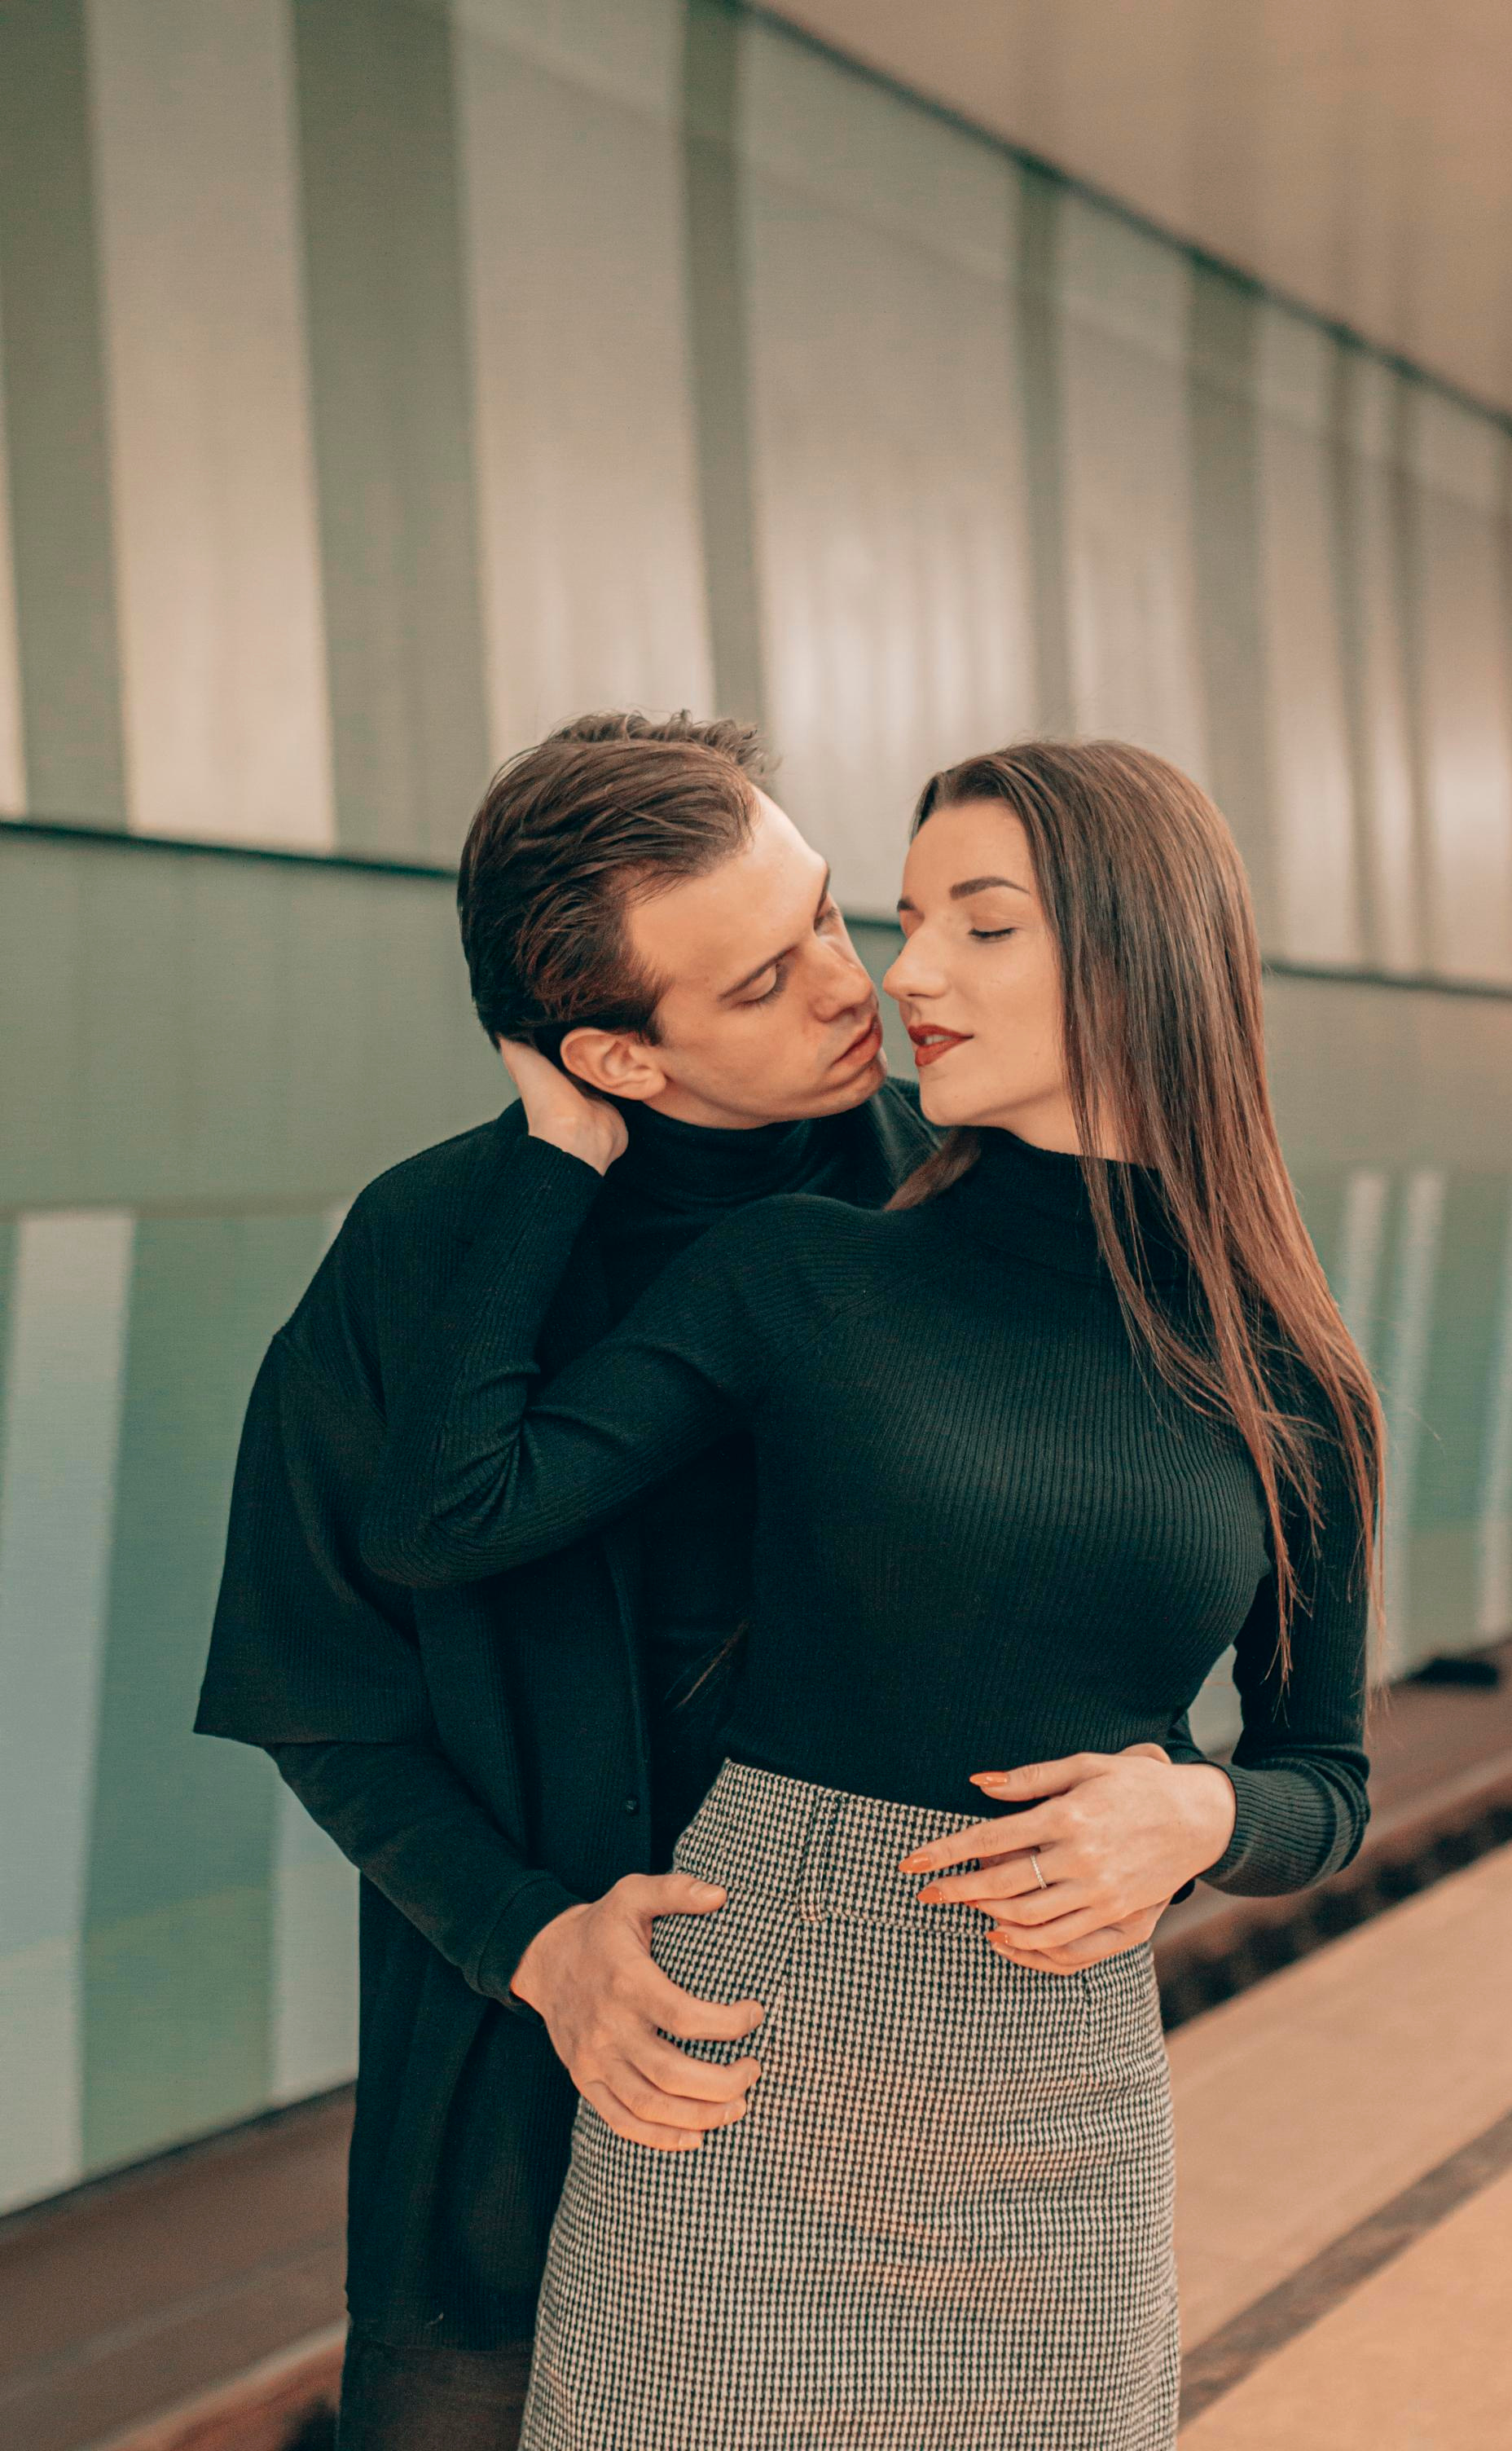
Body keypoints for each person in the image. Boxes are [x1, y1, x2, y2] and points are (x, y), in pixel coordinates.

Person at [358, 739, 1383, 2450]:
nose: (906, 977)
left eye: (979, 927)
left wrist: (1199, 1813)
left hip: (1056, 2112)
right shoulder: (800, 1272)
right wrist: (560, 1143)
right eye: (906, 921)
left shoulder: (1289, 1376)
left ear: (1141, 950)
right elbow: (449, 1513)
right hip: (742, 2071)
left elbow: (1327, 1784)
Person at [195, 713, 938, 2451]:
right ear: (616, 1056)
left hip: (895, 2089)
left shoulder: (968, 1218)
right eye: (764, 980)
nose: (850, 984)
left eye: (828, 914)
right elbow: (325, 1692)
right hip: (516, 2103)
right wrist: (539, 1947)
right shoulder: (417, 1256)